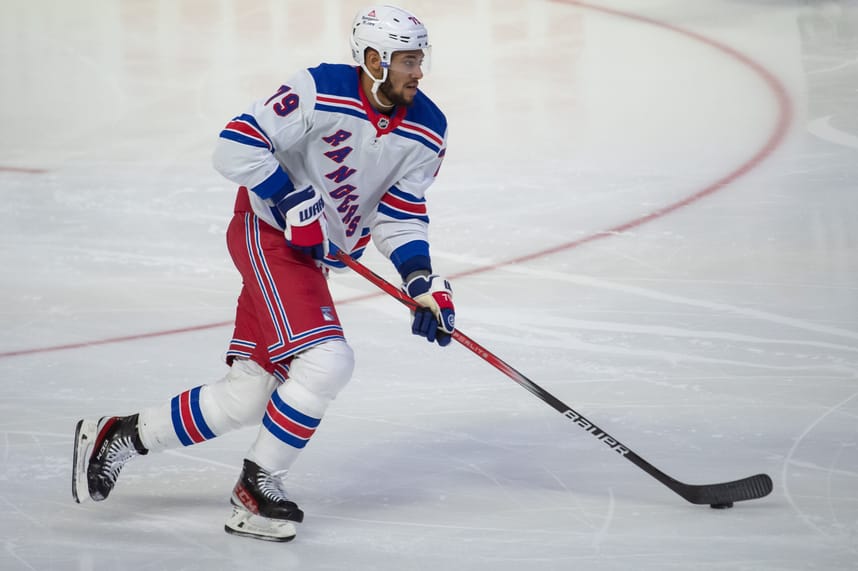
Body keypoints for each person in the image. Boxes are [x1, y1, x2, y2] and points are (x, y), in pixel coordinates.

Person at [72, 4, 455, 543]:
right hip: (266, 233)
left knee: (247, 397)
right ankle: (257, 487)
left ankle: (118, 436)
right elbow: (235, 145)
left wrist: (421, 280)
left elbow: (400, 212)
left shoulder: (428, 128)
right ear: (374, 59)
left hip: (312, 257)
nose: (419, 72)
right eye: (408, 60)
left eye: (420, 59)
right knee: (327, 360)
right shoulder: (320, 89)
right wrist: (288, 198)